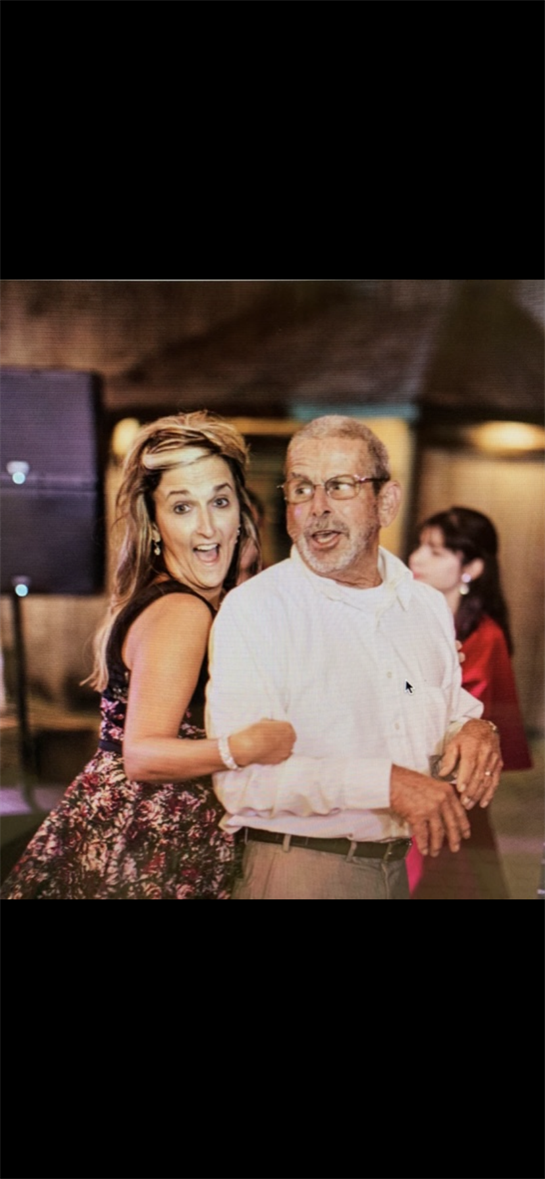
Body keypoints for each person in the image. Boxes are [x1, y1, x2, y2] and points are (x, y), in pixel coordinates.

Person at [205, 415, 503, 901]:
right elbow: (243, 782)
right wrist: (384, 783)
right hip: (298, 872)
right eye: (301, 490)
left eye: (339, 486)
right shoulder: (258, 610)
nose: (317, 508)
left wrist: (471, 727)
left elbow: (412, 689)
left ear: (385, 502)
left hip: (392, 873)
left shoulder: (420, 603)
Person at [0, 411, 294, 900]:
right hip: (148, 840)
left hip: (134, 828)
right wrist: (244, 748)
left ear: (241, 511)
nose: (207, 527)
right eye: (182, 508)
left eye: (219, 501)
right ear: (153, 522)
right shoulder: (183, 610)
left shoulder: (175, 597)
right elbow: (142, 754)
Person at [406, 506, 532, 899]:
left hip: (452, 777)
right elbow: (402, 687)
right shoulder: (409, 613)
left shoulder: (484, 635)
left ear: (472, 568)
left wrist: (414, 685)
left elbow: (463, 707)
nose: (416, 558)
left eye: (436, 552)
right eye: (420, 546)